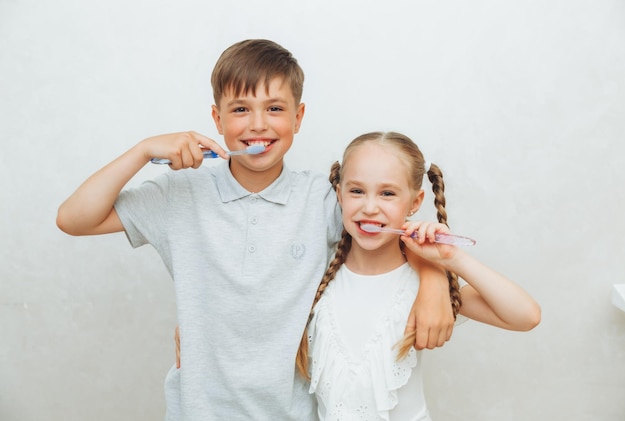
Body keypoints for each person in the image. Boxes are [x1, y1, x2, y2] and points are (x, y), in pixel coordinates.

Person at [56, 40, 455, 420]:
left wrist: (434, 281)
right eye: (241, 109)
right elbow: (74, 218)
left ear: (298, 118)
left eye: (275, 109)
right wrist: (142, 150)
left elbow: (389, 235)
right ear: (217, 119)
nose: (258, 125)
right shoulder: (179, 195)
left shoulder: (323, 199)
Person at [296, 131, 541, 420]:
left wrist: (452, 258)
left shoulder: (421, 283)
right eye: (357, 191)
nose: (370, 207)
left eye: (387, 193)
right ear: (339, 194)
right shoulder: (317, 268)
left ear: (415, 202)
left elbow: (526, 316)